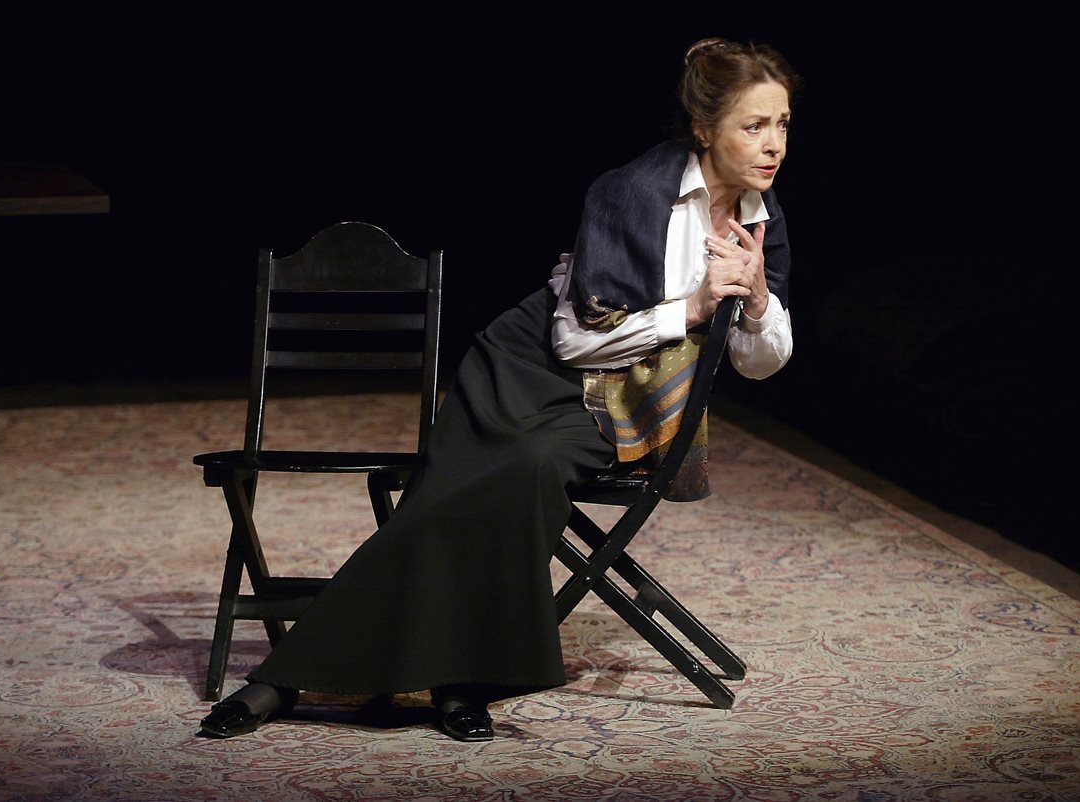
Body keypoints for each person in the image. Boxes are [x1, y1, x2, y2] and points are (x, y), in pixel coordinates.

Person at [199, 36, 801, 743]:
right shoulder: (632, 194)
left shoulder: (763, 218)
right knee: (450, 495)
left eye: (783, 124)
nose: (773, 144)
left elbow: (763, 363)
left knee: (527, 470)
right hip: (525, 367)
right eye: (753, 125)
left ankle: (306, 676)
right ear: (705, 129)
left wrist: (757, 299)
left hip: (620, 401)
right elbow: (575, 338)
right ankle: (442, 681)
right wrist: (694, 310)